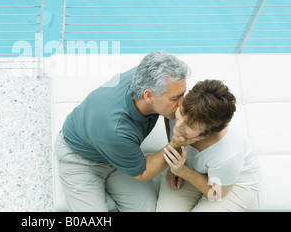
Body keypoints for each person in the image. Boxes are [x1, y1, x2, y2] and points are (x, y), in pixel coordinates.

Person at [55, 51, 203, 212]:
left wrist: (177, 163)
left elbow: (174, 113)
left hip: (121, 153)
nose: (182, 105)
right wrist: (175, 144)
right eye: (176, 99)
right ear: (148, 96)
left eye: (183, 95)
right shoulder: (115, 129)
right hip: (81, 160)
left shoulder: (149, 77)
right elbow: (144, 172)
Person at [157, 79, 261, 212]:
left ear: (208, 133)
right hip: (192, 168)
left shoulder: (228, 155)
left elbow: (217, 193)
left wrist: (181, 171)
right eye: (181, 114)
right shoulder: (186, 107)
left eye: (190, 126)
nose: (178, 126)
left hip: (228, 186)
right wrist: (174, 163)